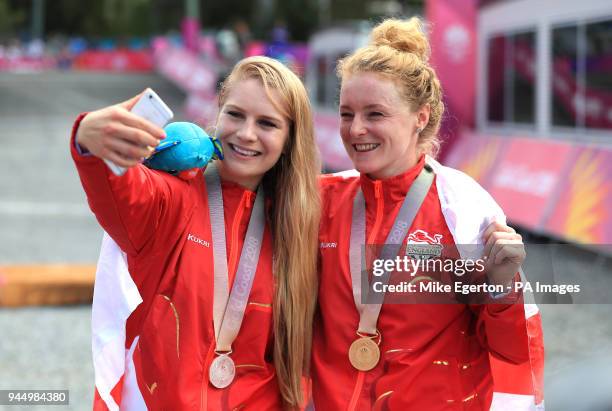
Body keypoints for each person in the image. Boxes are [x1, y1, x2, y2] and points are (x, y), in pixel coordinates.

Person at [311, 18, 544, 410]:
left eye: (375, 114)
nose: (355, 129)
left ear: (421, 116)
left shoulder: (463, 206)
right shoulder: (320, 199)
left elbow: (514, 350)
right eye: (346, 113)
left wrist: (502, 286)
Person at [71, 56, 320, 410]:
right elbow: (121, 189)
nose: (246, 133)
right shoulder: (175, 197)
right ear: (218, 114)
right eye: (235, 114)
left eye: (267, 123)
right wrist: (91, 142)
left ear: (289, 139)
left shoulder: (299, 222)